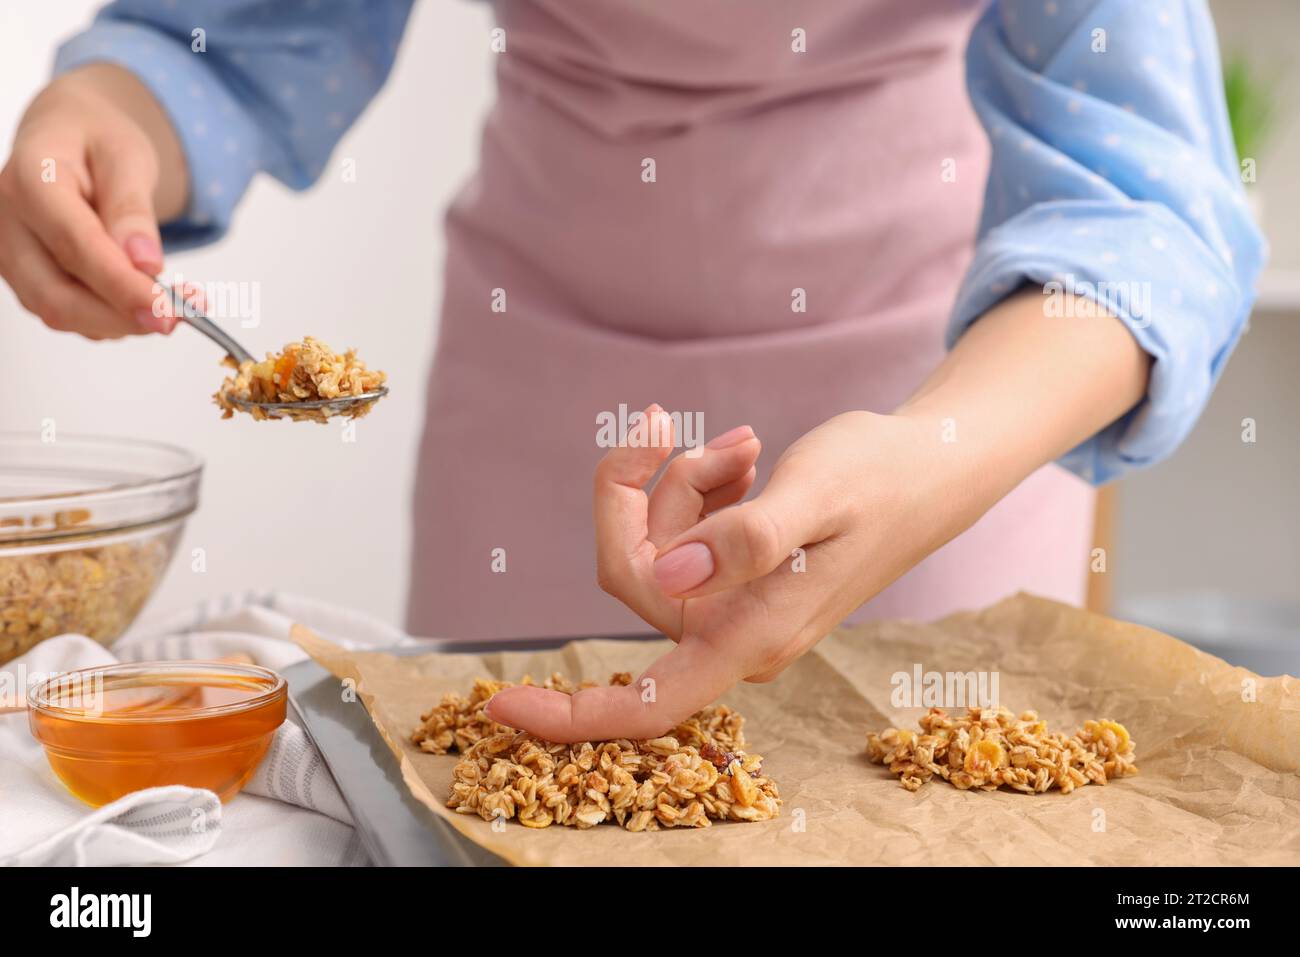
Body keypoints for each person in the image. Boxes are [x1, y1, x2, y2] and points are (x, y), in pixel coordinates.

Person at [0, 1, 1264, 741]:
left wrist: (927, 460)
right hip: (540, 365)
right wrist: (117, 114)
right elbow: (252, 32)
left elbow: (1147, 216)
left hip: (943, 395)